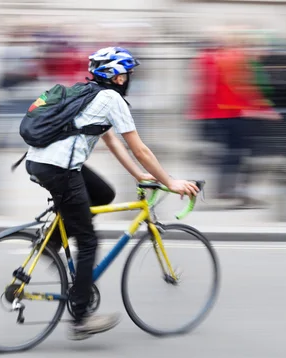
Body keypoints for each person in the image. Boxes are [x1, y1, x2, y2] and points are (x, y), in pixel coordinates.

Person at [25, 47, 200, 340]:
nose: (128, 78)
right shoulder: (112, 99)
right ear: (117, 76)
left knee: (103, 193)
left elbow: (111, 139)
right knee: (89, 240)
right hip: (59, 169)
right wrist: (169, 181)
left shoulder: (88, 92)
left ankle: (50, 242)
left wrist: (138, 175)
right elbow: (140, 148)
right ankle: (80, 318)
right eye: (127, 73)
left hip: (43, 162)